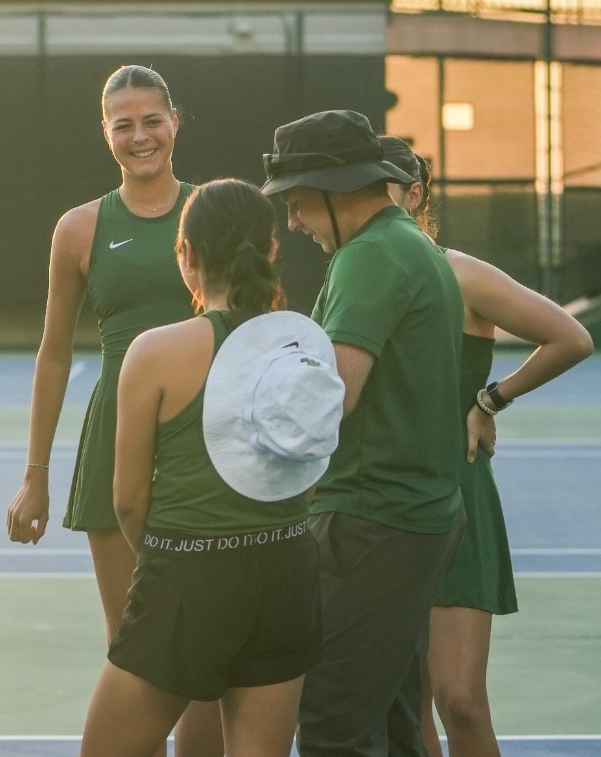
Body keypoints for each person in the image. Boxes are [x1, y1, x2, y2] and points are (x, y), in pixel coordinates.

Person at [79, 178, 341, 757]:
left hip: (188, 573)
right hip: (288, 570)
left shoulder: (154, 353)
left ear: (187, 256)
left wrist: (173, 564)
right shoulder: (308, 348)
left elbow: (126, 500)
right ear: (272, 252)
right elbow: (311, 476)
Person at [4, 63, 222, 755]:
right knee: (136, 648)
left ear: (174, 122)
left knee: (207, 654)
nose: (140, 136)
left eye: (151, 121)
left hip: (206, 443)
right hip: (117, 443)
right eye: (122, 124)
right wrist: (35, 472)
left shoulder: (213, 211)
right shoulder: (78, 228)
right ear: (105, 133)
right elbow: (53, 354)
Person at [259, 110, 467, 756]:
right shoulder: (411, 244)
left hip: (371, 522)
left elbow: (329, 399)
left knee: (332, 726)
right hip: (409, 518)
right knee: (393, 724)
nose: (292, 222)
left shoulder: (369, 257)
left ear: (334, 186)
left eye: (296, 203)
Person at [379, 135, 593, 757]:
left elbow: (570, 337)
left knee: (460, 701)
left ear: (415, 196)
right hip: (386, 501)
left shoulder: (458, 272)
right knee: (407, 701)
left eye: (384, 190)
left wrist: (491, 398)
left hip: (457, 491)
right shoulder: (356, 276)